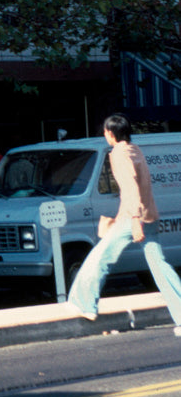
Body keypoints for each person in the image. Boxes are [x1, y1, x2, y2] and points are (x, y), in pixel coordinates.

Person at [68, 114, 181, 330]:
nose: (104, 135)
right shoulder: (135, 150)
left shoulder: (118, 153)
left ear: (110, 133)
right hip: (148, 215)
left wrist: (134, 219)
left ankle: (85, 304)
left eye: (105, 131)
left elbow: (130, 188)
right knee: (161, 267)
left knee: (99, 259)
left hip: (134, 218)